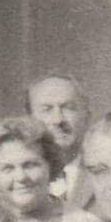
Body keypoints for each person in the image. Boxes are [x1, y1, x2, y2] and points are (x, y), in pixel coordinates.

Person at [26, 73, 93, 211]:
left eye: (68, 107)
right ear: (29, 119)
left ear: (86, 116)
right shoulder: (18, 178)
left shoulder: (104, 173)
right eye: (47, 109)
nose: (58, 120)